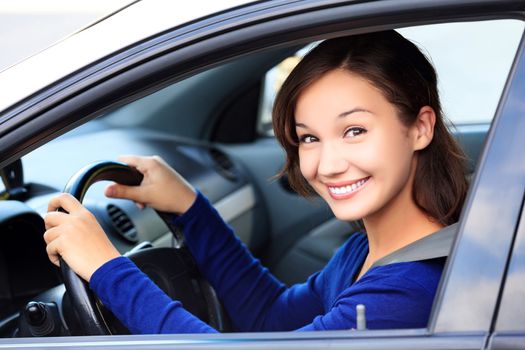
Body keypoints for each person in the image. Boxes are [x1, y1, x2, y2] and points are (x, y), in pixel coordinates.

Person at [43, 30, 468, 333]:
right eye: (309, 138)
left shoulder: (407, 291)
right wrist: (191, 209)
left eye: (354, 130)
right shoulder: (367, 251)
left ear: (420, 128)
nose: (328, 164)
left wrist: (107, 269)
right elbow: (270, 317)